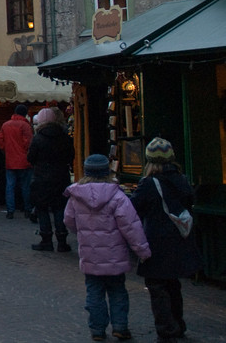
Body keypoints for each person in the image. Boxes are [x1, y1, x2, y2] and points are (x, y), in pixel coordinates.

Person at [64, 154, 150, 342]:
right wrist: (142, 251)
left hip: (89, 255)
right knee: (118, 291)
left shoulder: (76, 196)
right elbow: (131, 226)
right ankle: (120, 327)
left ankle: (97, 330)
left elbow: (69, 221)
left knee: (94, 292)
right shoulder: (117, 195)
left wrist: (82, 234)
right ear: (107, 171)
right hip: (115, 256)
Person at [131, 138, 202, 343]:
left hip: (158, 241)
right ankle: (178, 324)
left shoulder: (149, 183)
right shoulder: (182, 179)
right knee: (173, 284)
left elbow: (135, 208)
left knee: (157, 287)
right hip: (179, 241)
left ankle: (167, 330)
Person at [28, 107, 74, 252]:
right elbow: (70, 156)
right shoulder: (65, 137)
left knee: (42, 209)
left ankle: (46, 240)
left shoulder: (38, 138)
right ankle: (62, 240)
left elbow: (30, 158)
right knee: (59, 208)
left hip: (42, 177)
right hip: (61, 176)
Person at [0, 104, 35, 220]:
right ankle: (27, 210)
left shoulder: (6, 125)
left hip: (10, 160)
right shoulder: (25, 125)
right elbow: (29, 143)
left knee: (10, 186)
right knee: (25, 186)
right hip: (24, 161)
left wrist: (7, 152)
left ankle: (10, 211)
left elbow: (1, 141)